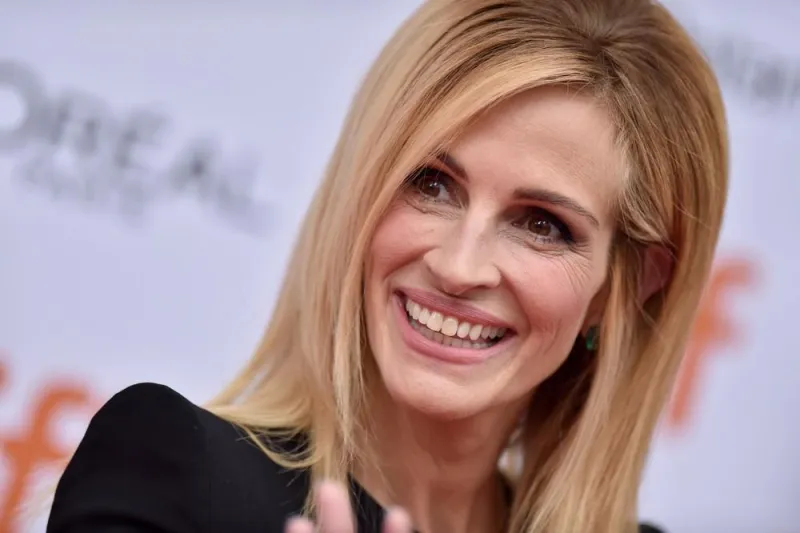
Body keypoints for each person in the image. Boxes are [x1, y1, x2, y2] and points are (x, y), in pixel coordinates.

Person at [45, 0, 728, 531]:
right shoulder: (175, 473)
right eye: (432, 183)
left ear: (626, 289)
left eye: (541, 224)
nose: (459, 266)